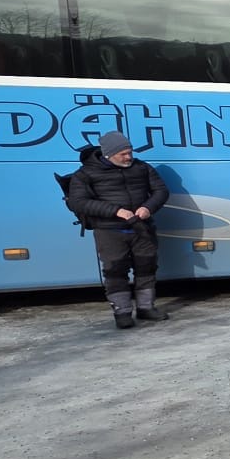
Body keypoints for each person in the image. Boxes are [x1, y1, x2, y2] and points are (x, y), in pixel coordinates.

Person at [65, 130, 170, 329]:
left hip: (142, 227)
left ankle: (146, 307)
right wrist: (116, 211)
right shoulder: (85, 174)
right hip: (109, 230)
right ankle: (122, 313)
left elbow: (161, 191)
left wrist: (148, 207)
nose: (129, 157)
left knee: (146, 267)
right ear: (108, 154)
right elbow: (78, 202)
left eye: (130, 152)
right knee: (115, 271)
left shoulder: (142, 167)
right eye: (123, 154)